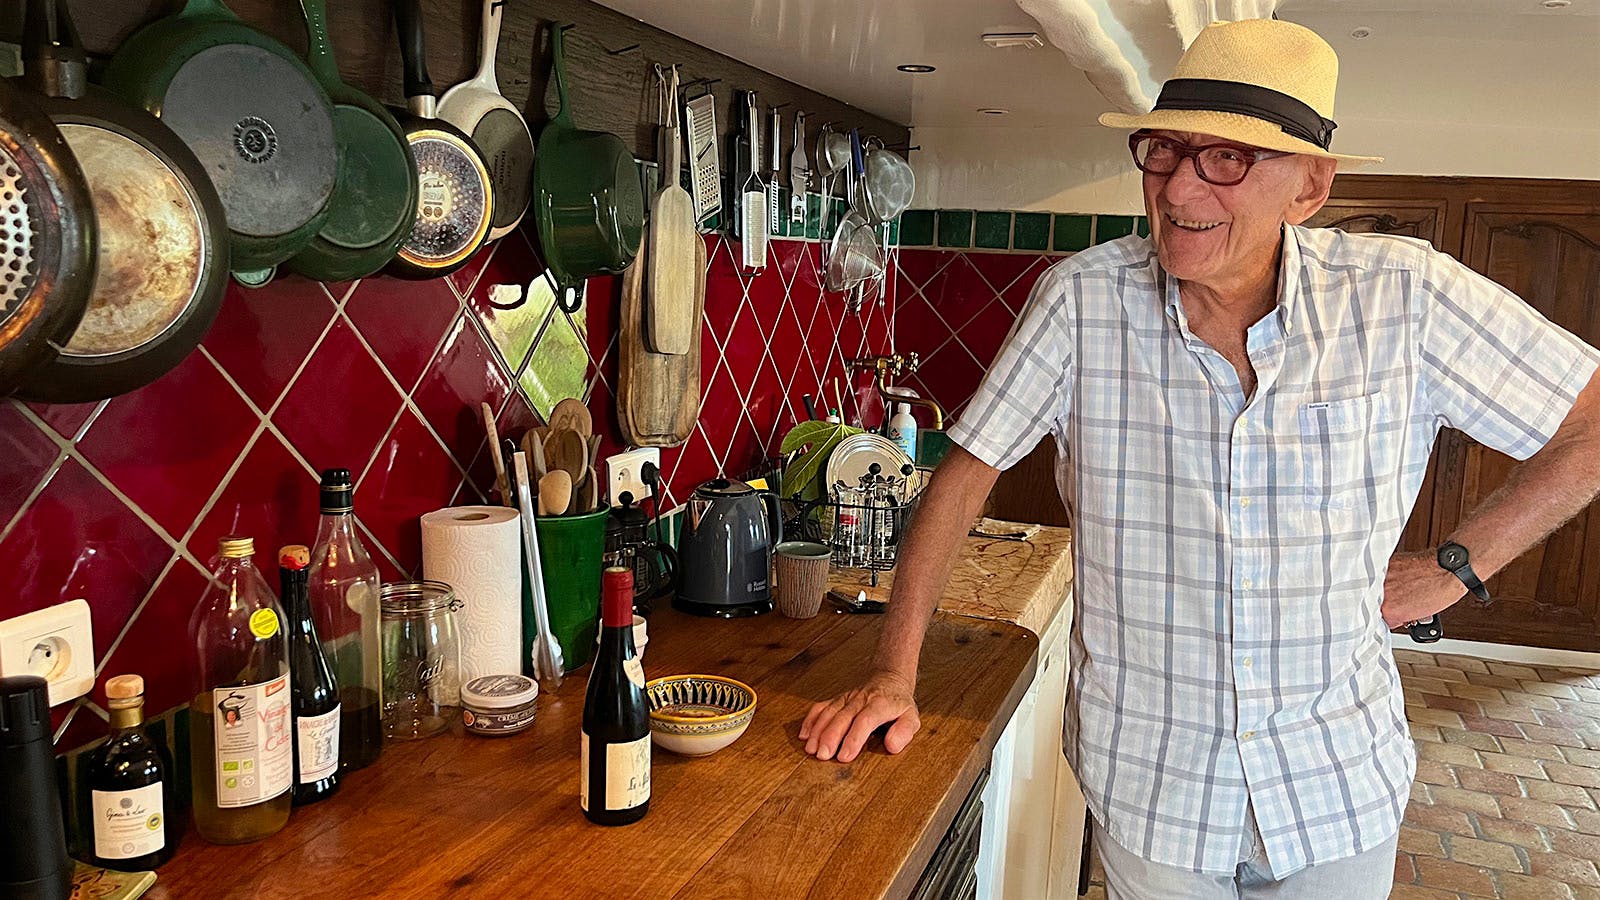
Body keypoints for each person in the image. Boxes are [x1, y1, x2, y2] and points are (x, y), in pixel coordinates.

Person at [799, 17, 1600, 898]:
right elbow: (963, 476)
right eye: (1166, 150)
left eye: (1226, 158)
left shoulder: (1406, 297)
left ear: (1310, 186)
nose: (1180, 186)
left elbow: (1591, 423)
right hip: (1156, 789)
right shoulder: (1082, 303)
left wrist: (1457, 568)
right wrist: (892, 673)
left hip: (1335, 781)